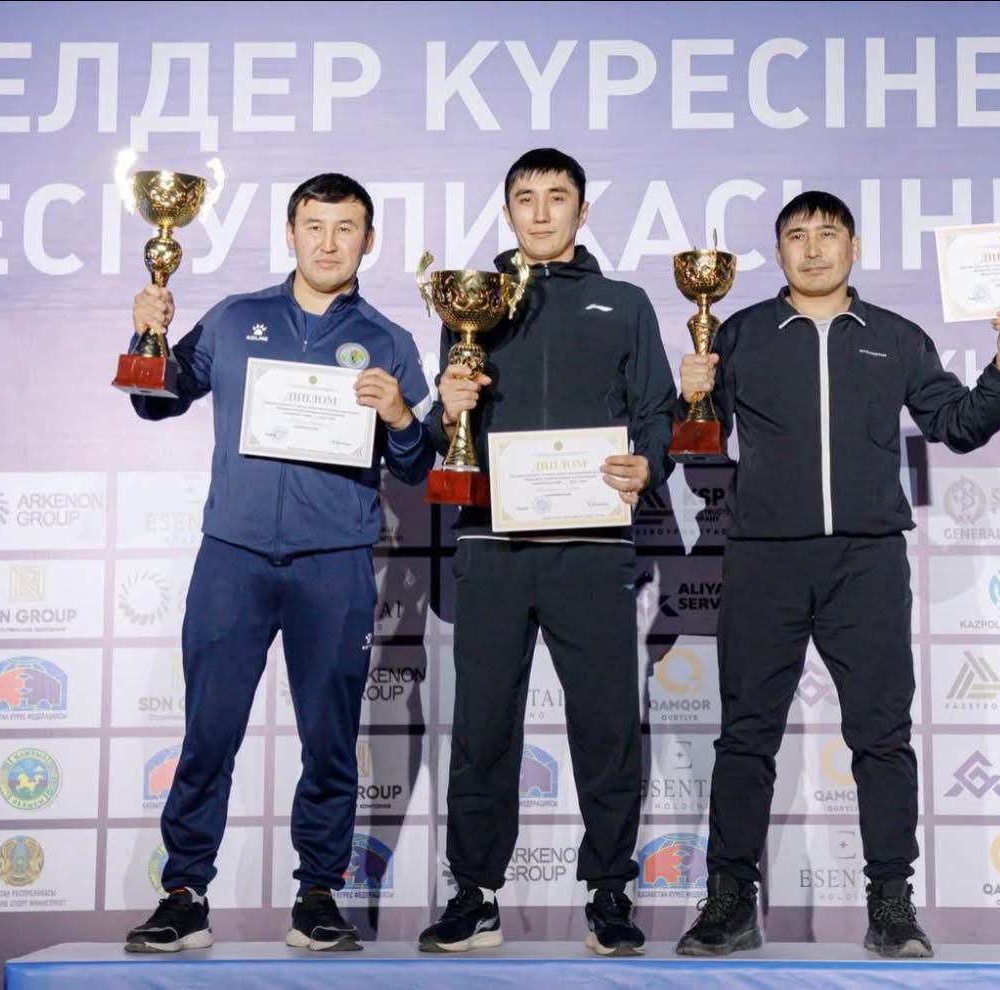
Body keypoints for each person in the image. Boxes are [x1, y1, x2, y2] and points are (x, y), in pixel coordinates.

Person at [673, 191, 1000, 959]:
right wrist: (690, 395)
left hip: (865, 561)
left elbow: (957, 426)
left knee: (881, 736)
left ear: (854, 246)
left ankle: (890, 905)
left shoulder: (896, 338)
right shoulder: (737, 334)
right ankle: (729, 902)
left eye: (827, 234)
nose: (812, 249)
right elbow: (692, 442)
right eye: (796, 236)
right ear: (777, 252)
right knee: (745, 737)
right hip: (764, 556)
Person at [122, 173, 433, 953]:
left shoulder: (389, 340)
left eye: (345, 228)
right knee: (209, 731)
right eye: (314, 226)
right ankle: (184, 893)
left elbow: (419, 465)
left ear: (368, 240)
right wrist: (146, 338)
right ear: (290, 233)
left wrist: (399, 414)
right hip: (233, 556)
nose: (329, 243)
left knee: (329, 741)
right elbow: (156, 401)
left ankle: (318, 895)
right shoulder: (235, 318)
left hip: (334, 561)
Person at [418, 148, 675, 957]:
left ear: (581, 211)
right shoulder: (473, 300)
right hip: (491, 540)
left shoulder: (623, 303)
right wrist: (444, 408)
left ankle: (609, 891)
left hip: (591, 544)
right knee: (482, 727)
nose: (539, 212)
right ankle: (475, 894)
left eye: (556, 197)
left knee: (605, 726)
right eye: (524, 198)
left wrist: (649, 462)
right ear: (506, 210)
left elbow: (657, 411)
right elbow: (448, 426)